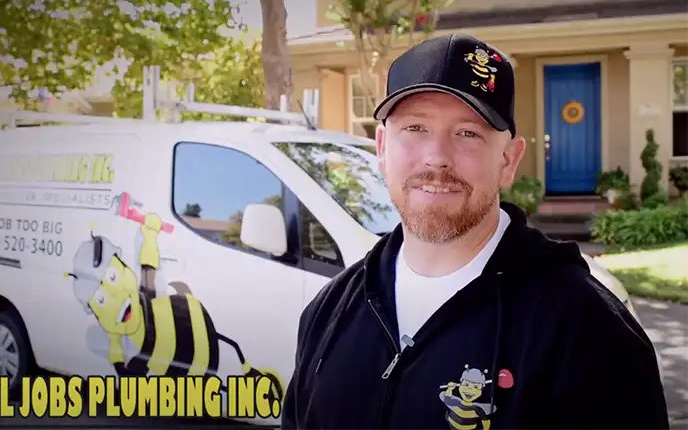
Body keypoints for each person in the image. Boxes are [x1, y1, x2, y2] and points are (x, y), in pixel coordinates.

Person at [280, 33, 668, 430]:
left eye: (468, 133)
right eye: (415, 128)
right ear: (381, 147)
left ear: (509, 160)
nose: (437, 158)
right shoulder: (330, 311)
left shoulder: (587, 332)